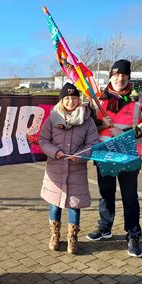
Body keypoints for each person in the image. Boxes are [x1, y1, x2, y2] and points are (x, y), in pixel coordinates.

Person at [86, 59, 142, 258]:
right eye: (116, 74)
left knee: (129, 197)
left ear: (129, 77)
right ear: (110, 76)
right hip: (104, 155)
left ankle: (133, 235)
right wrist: (101, 125)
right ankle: (105, 227)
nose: (120, 78)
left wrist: (127, 132)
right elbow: (87, 126)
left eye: (124, 75)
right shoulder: (97, 99)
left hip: (128, 156)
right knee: (105, 193)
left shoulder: (141, 99)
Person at [39, 83, 100, 254]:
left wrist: (80, 154)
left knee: (74, 205)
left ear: (78, 99)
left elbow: (93, 143)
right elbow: (43, 141)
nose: (71, 101)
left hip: (76, 170)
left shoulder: (87, 121)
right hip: (55, 169)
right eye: (67, 98)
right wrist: (55, 152)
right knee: (54, 204)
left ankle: (73, 238)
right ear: (61, 100)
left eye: (74, 98)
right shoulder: (52, 119)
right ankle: (55, 235)